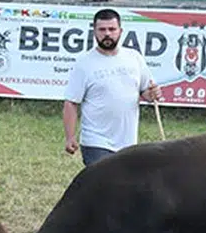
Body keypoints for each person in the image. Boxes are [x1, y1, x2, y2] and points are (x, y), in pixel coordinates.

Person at [62, 9, 163, 167]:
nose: (107, 34)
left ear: (120, 31)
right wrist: (70, 137)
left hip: (128, 143)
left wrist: (153, 94)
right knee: (104, 187)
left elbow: (146, 92)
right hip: (96, 141)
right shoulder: (84, 63)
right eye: (102, 30)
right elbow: (71, 103)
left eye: (112, 29)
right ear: (94, 31)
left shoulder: (134, 57)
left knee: (125, 188)